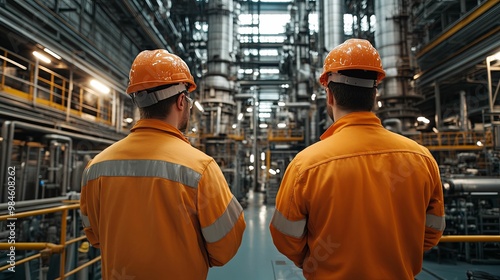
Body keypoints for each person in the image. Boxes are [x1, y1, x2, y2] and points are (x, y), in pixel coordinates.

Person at [269, 39, 445, 280]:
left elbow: (285, 238)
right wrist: (399, 252)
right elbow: (432, 231)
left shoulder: (306, 165)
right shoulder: (421, 158)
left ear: (329, 95)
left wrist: (314, 260)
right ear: (374, 93)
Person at [80, 49, 246, 279]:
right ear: (181, 101)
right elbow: (226, 245)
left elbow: (94, 236)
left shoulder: (96, 167)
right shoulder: (201, 168)